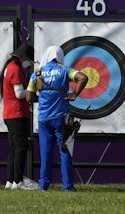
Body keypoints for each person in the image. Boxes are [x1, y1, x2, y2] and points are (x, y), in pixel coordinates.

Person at [30, 45, 85, 193]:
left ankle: (43, 185)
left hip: (43, 119)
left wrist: (44, 97)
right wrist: (74, 94)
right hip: (62, 118)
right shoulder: (65, 70)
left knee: (45, 153)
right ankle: (67, 186)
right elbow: (83, 78)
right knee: (65, 151)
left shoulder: (38, 73)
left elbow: (29, 96)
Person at [2, 41, 34, 191]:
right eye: (29, 60)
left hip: (11, 113)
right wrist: (33, 92)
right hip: (17, 114)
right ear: (23, 58)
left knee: (14, 147)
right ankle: (18, 181)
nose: (29, 64)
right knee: (21, 147)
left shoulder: (10, 67)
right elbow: (19, 93)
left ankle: (10, 181)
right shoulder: (15, 69)